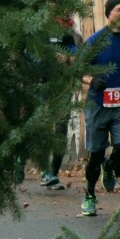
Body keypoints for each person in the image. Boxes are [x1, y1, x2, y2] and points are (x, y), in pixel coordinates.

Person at [79, 0, 120, 216]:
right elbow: (79, 70)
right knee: (95, 154)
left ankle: (112, 167)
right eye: (118, 9)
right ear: (108, 13)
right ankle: (89, 195)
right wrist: (91, 81)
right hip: (98, 104)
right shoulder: (95, 41)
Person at [41, 16, 83, 190]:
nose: (68, 17)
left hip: (63, 86)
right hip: (41, 84)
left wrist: (71, 57)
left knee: (60, 127)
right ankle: (25, 162)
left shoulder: (72, 33)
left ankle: (52, 173)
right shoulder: (42, 27)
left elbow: (76, 54)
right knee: (40, 127)